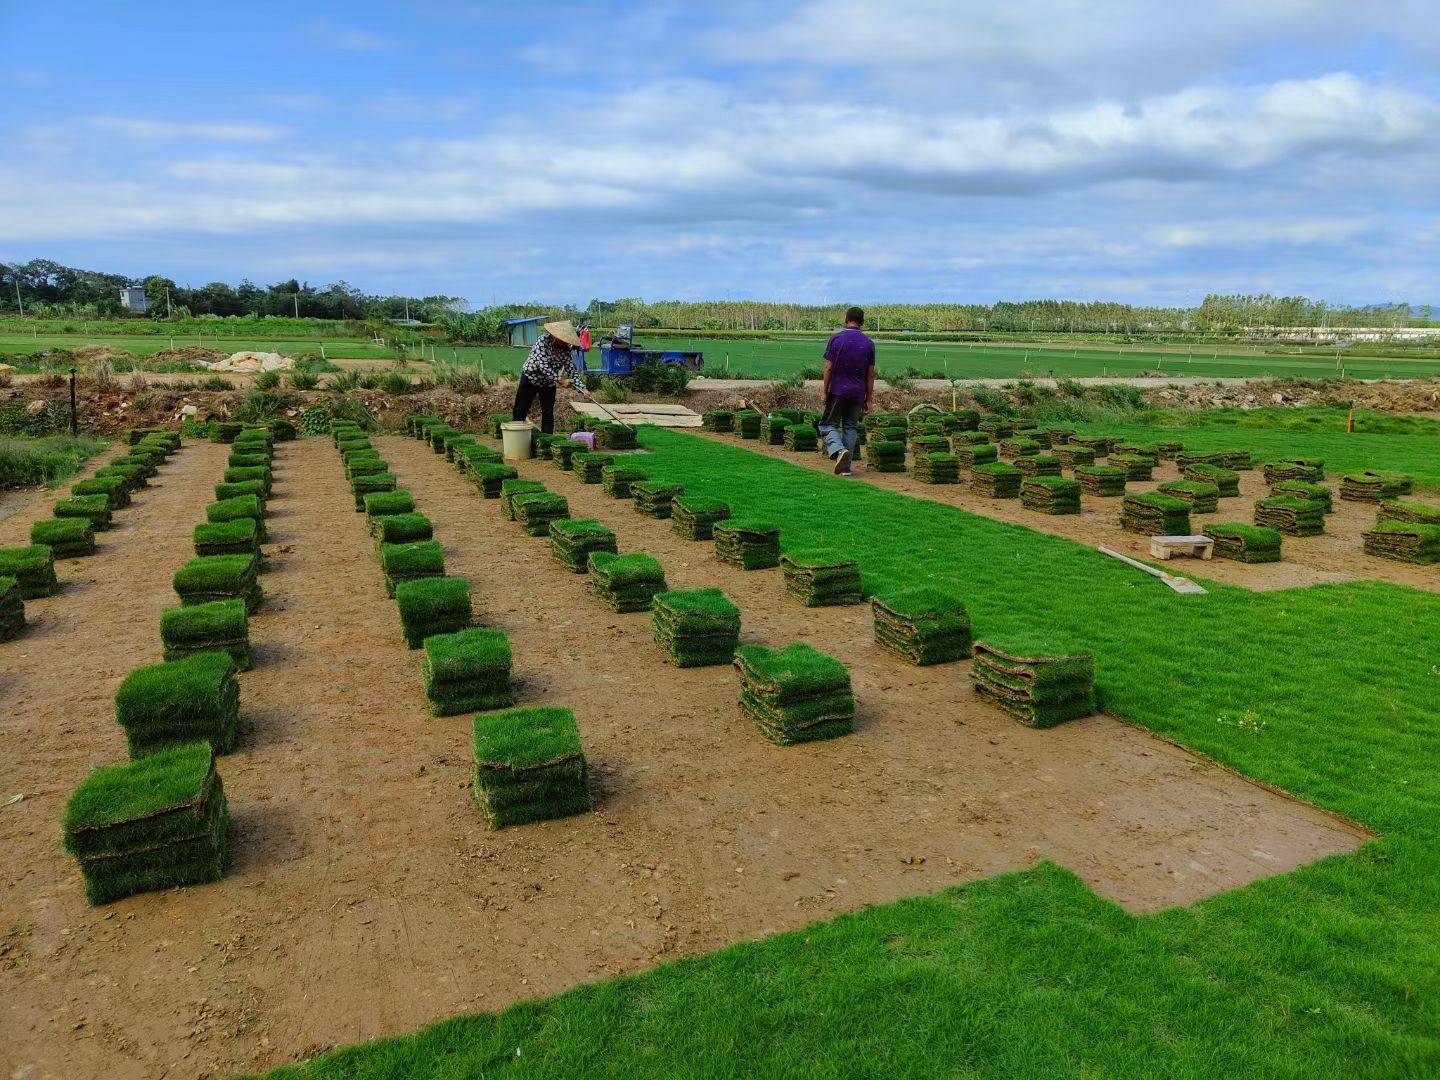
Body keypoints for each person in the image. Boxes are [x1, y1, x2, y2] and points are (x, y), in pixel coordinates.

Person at [818, 306, 875, 475]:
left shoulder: (836, 339)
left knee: (827, 424)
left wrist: (824, 390)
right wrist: (869, 399)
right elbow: (870, 375)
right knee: (850, 427)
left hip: (838, 390)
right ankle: (846, 468)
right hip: (858, 392)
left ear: (846, 319)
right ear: (862, 322)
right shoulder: (869, 344)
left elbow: (828, 368)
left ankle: (838, 450)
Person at [512, 320, 585, 434]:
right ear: (555, 336)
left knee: (548, 412)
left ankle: (547, 439)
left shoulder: (565, 349)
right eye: (562, 339)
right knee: (521, 409)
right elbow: (543, 365)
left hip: (548, 383)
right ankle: (515, 436)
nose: (564, 342)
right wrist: (560, 380)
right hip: (531, 378)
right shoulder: (543, 341)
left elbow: (571, 369)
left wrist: (583, 389)